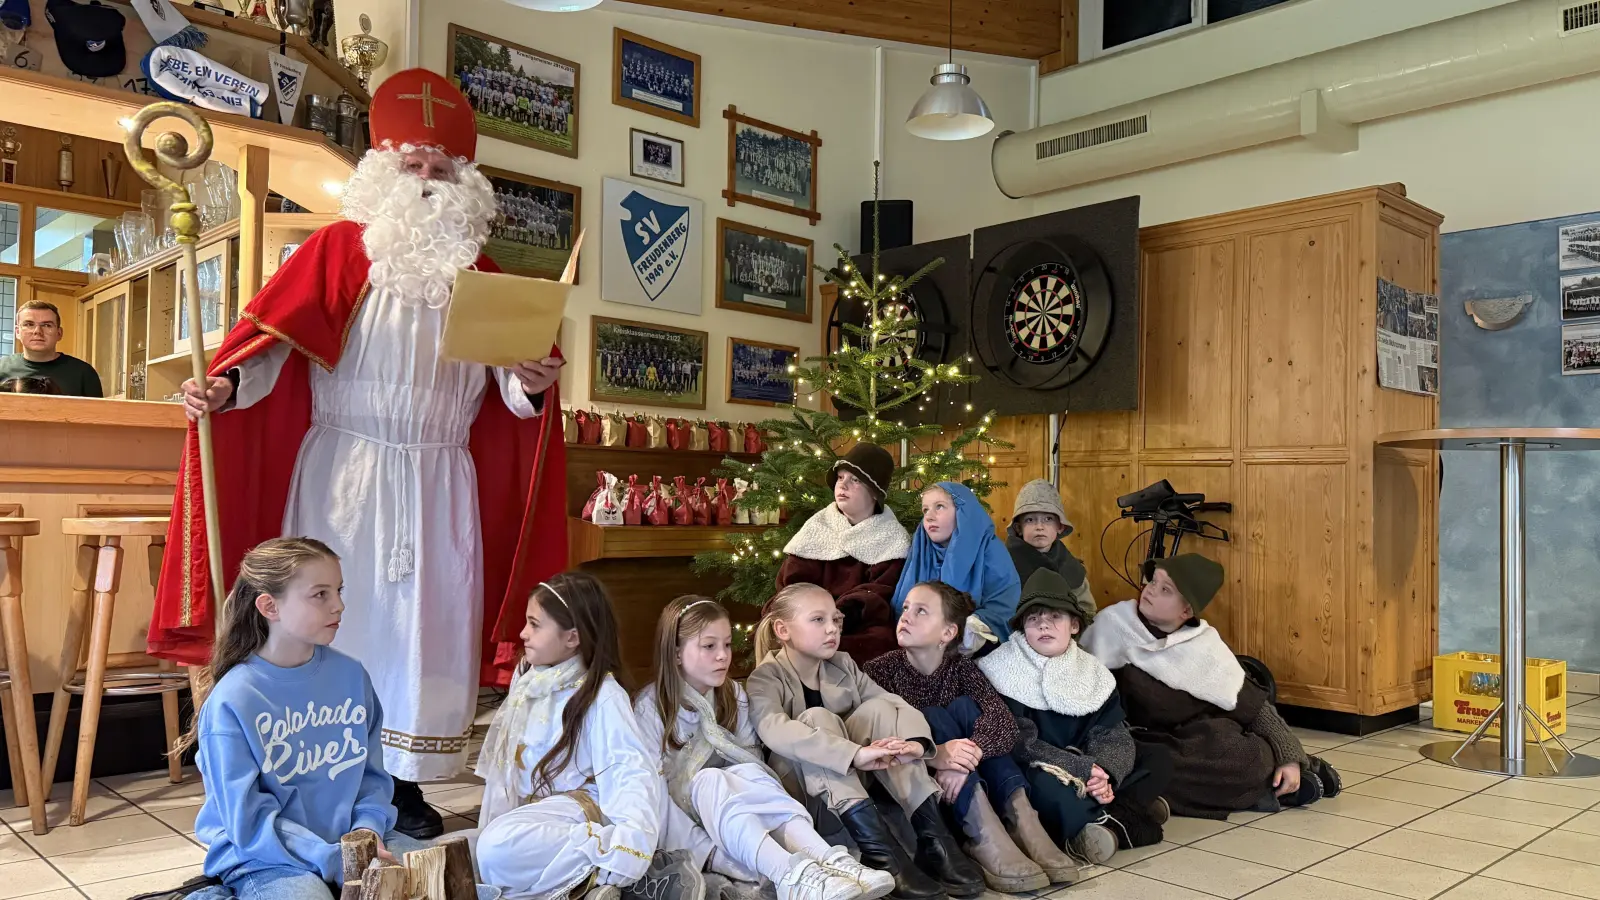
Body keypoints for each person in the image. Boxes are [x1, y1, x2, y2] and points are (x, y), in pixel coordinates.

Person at [151, 68, 569, 839]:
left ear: (465, 182)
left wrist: (532, 384)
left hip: (444, 477)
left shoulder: (484, 278)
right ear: (382, 169)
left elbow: (515, 403)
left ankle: (406, 787)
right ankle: (323, 776)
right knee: (348, 620)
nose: (427, 181)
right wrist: (227, 386)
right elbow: (274, 352)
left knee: (433, 627)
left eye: (442, 170)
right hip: (346, 472)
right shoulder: (336, 252)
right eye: (413, 165)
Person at [181, 537, 422, 900]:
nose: (338, 605)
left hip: (354, 842)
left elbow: (372, 778)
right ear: (269, 606)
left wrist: (367, 834)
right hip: (262, 855)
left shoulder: (351, 676)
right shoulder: (234, 699)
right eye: (320, 594)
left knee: (436, 880)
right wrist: (330, 859)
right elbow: (247, 821)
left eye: (338, 590)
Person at [634, 595, 893, 900]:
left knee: (748, 772)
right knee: (710, 778)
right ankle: (790, 874)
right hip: (693, 824)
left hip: (743, 810)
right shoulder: (651, 708)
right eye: (709, 646)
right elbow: (653, 795)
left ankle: (828, 859)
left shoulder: (732, 694)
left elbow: (753, 764)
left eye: (727, 644)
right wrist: (711, 855)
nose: (723, 656)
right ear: (676, 653)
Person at [745, 583, 983, 900]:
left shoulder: (842, 665)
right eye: (818, 620)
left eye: (835, 620)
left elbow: (893, 705)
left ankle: (934, 839)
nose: (832, 629)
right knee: (818, 718)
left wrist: (915, 744)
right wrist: (854, 753)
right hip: (809, 798)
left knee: (881, 708)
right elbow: (773, 729)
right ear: (782, 630)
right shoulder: (766, 677)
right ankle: (881, 854)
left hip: (864, 785)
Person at [475, 573, 697, 900]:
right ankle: (585, 888)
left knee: (496, 848)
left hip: (580, 810)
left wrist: (631, 846)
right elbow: (509, 767)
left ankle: (619, 874)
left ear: (572, 638)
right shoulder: (528, 679)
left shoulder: (603, 695)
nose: (523, 633)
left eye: (535, 625)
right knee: (482, 852)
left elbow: (630, 771)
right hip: (537, 814)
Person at [1079, 555, 1341, 820]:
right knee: (1147, 766)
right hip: (1140, 739)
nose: (1151, 590)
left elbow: (1253, 707)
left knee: (1249, 755)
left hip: (1201, 741)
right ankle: (1272, 789)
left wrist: (1290, 755)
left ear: (1186, 611)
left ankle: (1284, 771)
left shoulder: (1203, 643)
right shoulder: (1112, 625)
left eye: (1165, 590)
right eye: (1153, 581)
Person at [863, 583, 1068, 891]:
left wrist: (960, 761)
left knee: (966, 708)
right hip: (928, 793)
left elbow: (1003, 723)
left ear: (948, 633)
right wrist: (938, 755)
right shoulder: (880, 671)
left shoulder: (961, 668)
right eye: (906, 608)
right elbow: (883, 738)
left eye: (921, 611)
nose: (906, 617)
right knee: (931, 716)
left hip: (962, 778)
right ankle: (982, 832)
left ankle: (1023, 821)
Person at [978, 569, 1171, 862]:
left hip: (1090, 768)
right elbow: (1019, 741)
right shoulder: (1001, 670)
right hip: (1041, 764)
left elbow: (1111, 732)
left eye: (1055, 616)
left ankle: (1106, 811)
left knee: (1157, 758)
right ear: (1022, 630)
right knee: (1042, 788)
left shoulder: (1093, 672)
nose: (1043, 624)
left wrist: (1103, 771)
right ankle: (1115, 819)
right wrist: (1080, 768)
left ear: (1074, 626)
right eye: (1033, 618)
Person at [777, 445, 910, 662]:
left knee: (879, 641)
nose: (843, 485)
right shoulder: (818, 527)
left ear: (874, 493)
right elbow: (794, 580)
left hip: (857, 621)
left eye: (855, 480)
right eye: (840, 477)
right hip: (808, 615)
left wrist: (840, 615)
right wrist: (817, 616)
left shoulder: (891, 538)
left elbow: (879, 592)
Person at [892, 483, 1019, 654]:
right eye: (925, 510)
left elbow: (1004, 602)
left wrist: (973, 627)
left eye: (940, 507)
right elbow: (903, 605)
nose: (929, 517)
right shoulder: (921, 549)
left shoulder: (990, 549)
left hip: (978, 651)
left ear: (963, 513)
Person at [1004, 480, 1093, 613]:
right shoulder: (1004, 564)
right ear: (1018, 528)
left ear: (1060, 526)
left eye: (1048, 519)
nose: (1040, 527)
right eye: (1030, 520)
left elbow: (1087, 610)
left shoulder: (1071, 567)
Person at [0, 300, 102, 397]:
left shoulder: (83, 373)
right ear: (17, 332)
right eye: (29, 324)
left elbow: (98, 414)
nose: (37, 331)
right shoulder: (2, 368)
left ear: (59, 333)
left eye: (47, 325)